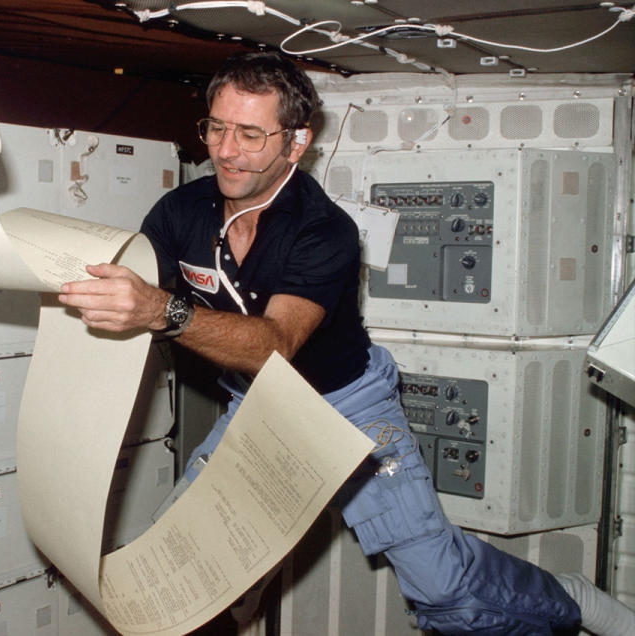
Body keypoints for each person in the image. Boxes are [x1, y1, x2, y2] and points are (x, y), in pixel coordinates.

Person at [58, 51, 634, 635]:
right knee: (176, 571)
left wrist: (162, 310)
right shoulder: (180, 211)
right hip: (256, 409)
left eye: (251, 134)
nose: (226, 151)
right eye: (217, 127)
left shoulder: (324, 228)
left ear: (296, 141)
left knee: (446, 592)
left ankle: (570, 600)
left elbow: (273, 345)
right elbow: (132, 286)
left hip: (349, 411)